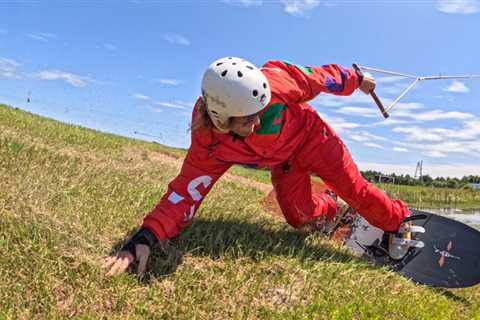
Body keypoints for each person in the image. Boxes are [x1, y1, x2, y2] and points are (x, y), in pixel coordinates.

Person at [104, 57, 416, 275]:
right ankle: (330, 209)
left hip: (314, 139)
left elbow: (323, 78)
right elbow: (185, 194)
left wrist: (356, 79)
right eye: (247, 119)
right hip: (284, 163)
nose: (256, 123)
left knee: (355, 190)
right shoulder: (209, 144)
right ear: (220, 118)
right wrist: (144, 238)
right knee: (299, 219)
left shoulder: (277, 80)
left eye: (261, 112)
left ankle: (398, 220)